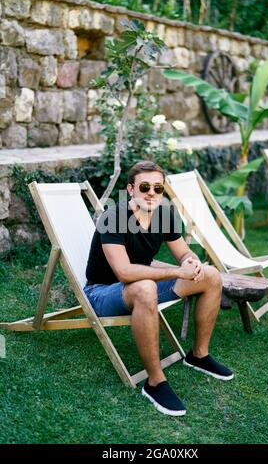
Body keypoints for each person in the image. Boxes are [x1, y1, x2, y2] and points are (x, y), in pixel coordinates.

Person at [84, 161, 234, 416]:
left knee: (210, 275)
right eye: (145, 187)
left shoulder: (164, 215)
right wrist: (178, 272)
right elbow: (124, 273)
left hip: (141, 286)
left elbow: (183, 252)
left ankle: (198, 355)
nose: (151, 192)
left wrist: (191, 262)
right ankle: (155, 382)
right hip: (102, 293)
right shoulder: (115, 217)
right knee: (144, 288)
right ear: (131, 189)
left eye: (158, 188)